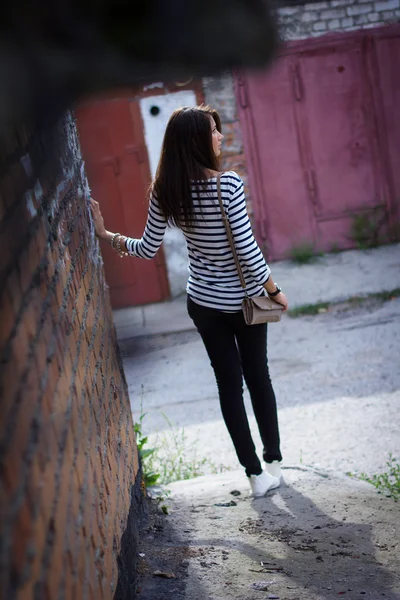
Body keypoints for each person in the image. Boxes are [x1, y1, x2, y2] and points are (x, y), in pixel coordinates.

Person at [90, 105, 289, 497]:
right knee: (258, 377)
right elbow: (248, 251)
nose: (219, 136)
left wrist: (105, 234)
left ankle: (255, 476)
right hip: (245, 303)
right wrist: (274, 290)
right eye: (214, 130)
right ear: (200, 139)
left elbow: (147, 249)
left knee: (228, 386)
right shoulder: (227, 185)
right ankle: (274, 461)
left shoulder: (167, 189)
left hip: (203, 303)